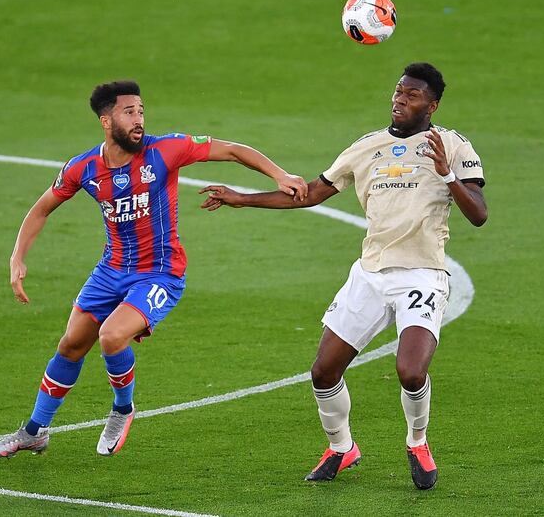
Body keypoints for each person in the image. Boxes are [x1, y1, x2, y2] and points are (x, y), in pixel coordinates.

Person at [200, 62, 487, 489]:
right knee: (323, 371)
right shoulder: (366, 147)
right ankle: (341, 447)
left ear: (433, 104)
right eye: (397, 91)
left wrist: (446, 172)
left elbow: (479, 214)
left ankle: (418, 442)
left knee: (410, 371)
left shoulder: (453, 145)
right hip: (369, 275)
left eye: (411, 95)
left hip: (422, 275)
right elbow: (311, 194)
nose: (399, 99)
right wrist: (242, 199)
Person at [0, 80, 307, 458]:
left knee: (111, 336)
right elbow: (41, 208)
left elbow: (233, 150)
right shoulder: (83, 168)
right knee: (71, 344)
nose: (139, 119)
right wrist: (17, 257)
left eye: (141, 111)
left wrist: (280, 175)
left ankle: (123, 408)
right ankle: (34, 432)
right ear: (106, 121)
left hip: (160, 273)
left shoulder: (165, 149)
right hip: (110, 271)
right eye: (129, 112)